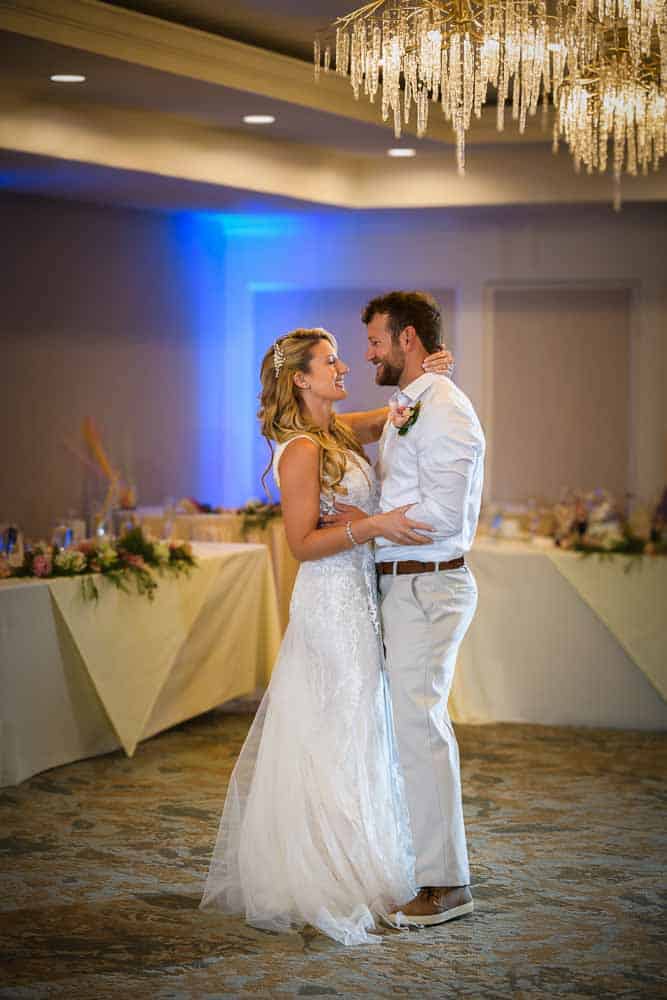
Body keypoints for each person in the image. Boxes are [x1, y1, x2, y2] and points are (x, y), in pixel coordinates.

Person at [200, 327, 453, 945]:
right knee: (335, 726)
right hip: (329, 605)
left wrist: (429, 377)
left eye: (342, 356)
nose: (344, 367)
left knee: (360, 725)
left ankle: (356, 856)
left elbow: (392, 415)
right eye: (331, 361)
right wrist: (376, 526)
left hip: (357, 602)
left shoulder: (336, 433)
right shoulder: (302, 450)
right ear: (301, 379)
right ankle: (324, 871)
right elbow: (302, 545)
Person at [325, 291, 485, 927]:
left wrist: (369, 523)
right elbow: (367, 425)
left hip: (429, 586)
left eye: (374, 342)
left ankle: (447, 884)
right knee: (411, 730)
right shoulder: (415, 401)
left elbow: (445, 514)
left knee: (422, 730)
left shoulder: (444, 409)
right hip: (405, 585)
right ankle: (434, 870)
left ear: (408, 340)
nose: (366, 354)